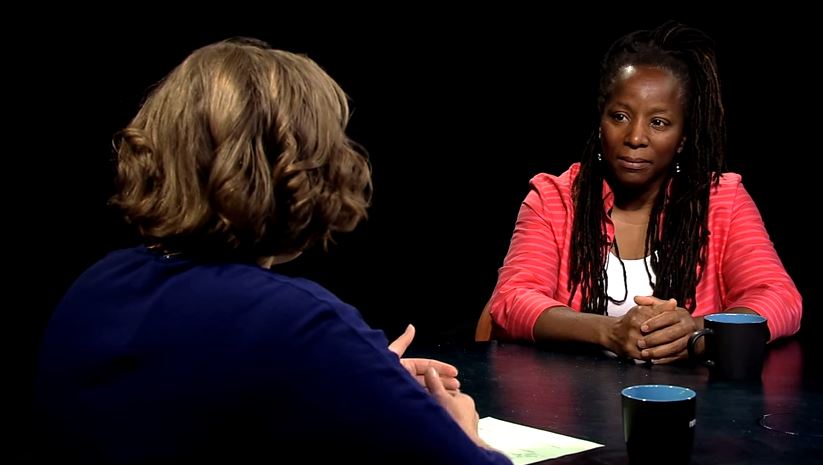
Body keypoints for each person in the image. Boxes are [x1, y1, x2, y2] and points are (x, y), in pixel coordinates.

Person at [34, 38, 511, 464]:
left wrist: (357, 377)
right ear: (305, 169)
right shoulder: (302, 322)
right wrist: (462, 432)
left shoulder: (97, 286)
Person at [487, 21, 802, 364]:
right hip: (569, 405)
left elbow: (780, 298)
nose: (635, 137)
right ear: (600, 120)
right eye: (620, 116)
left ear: (682, 137)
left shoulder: (721, 200)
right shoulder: (553, 198)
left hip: (698, 405)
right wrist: (609, 331)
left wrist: (696, 332)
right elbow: (511, 299)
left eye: (659, 122)